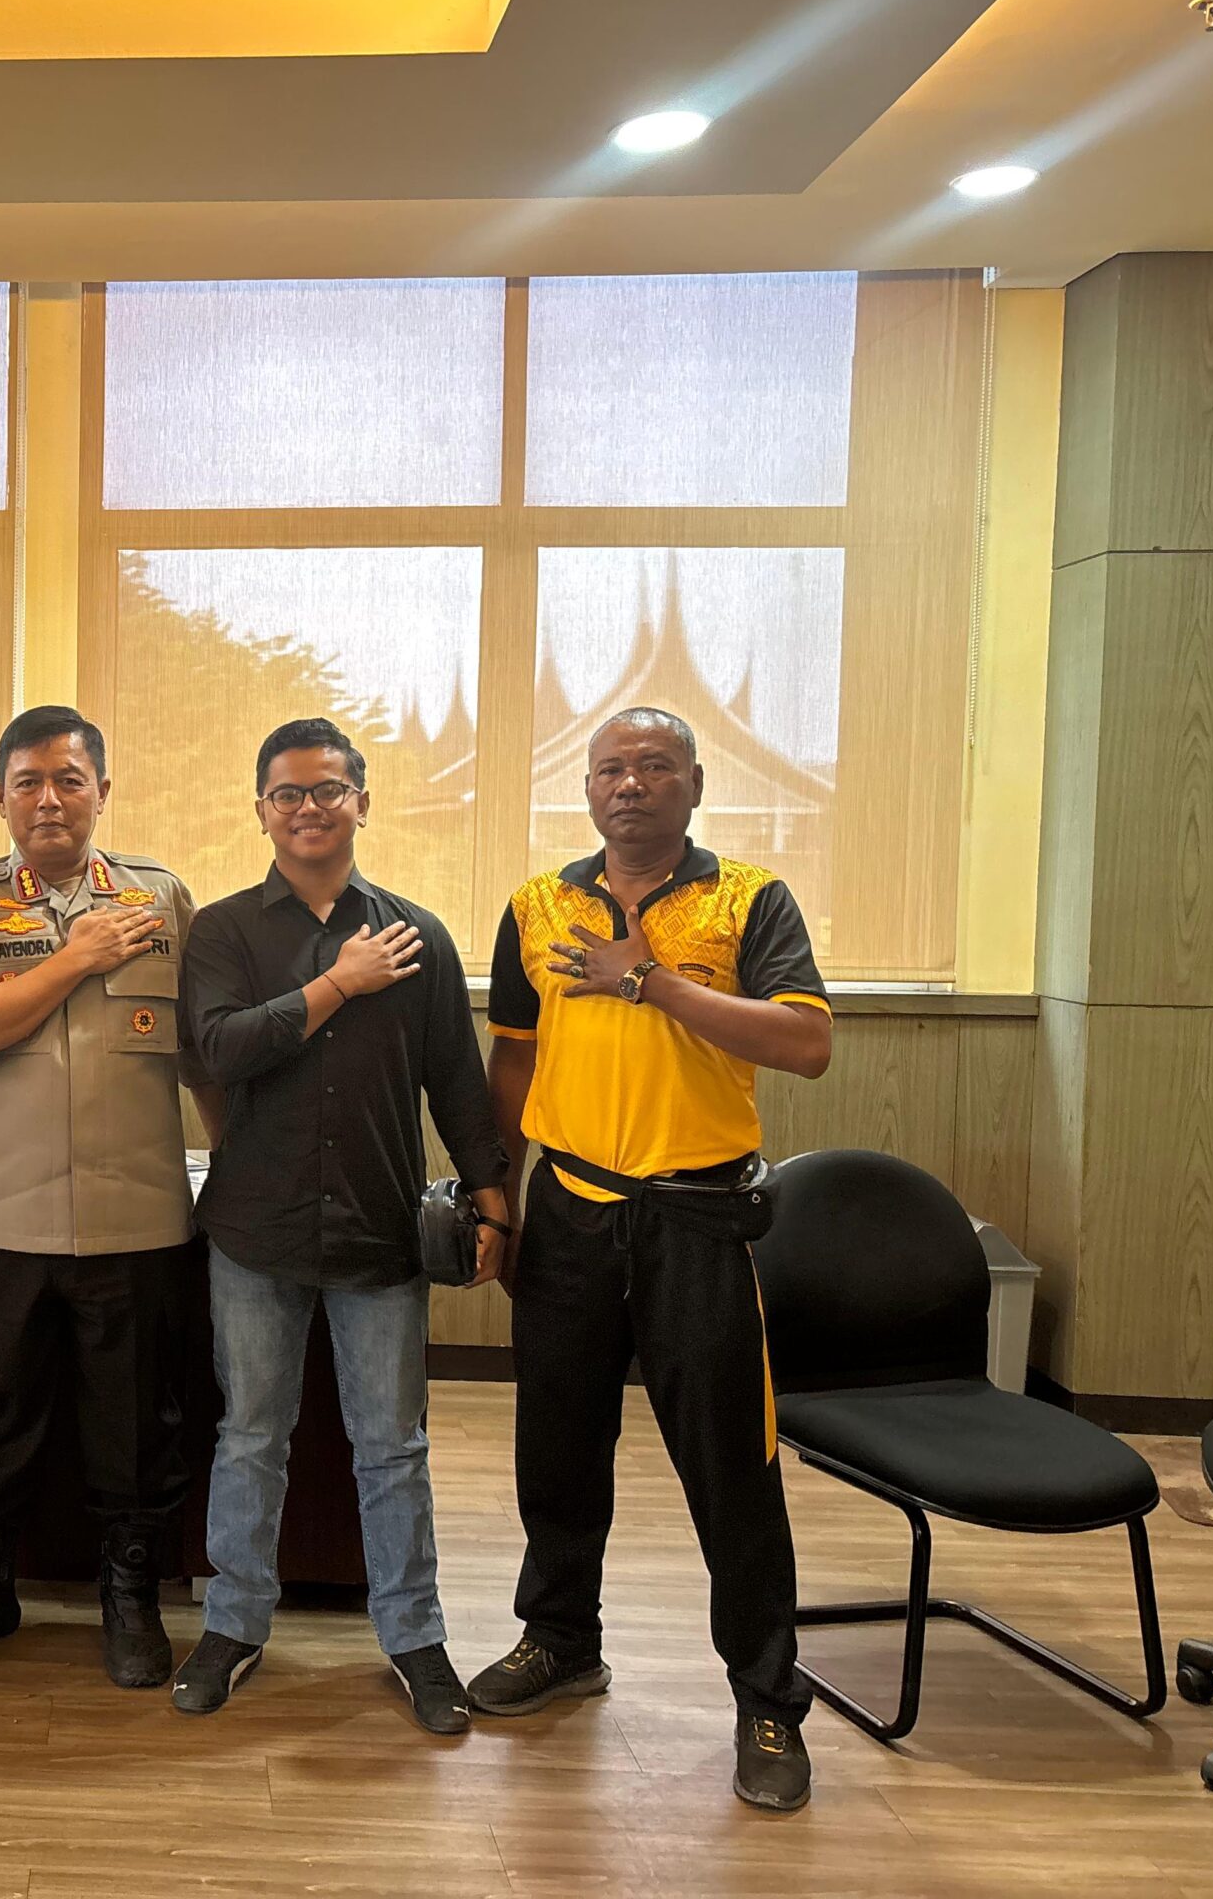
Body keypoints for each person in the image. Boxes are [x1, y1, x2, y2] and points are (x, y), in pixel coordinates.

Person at [468, 706, 833, 1814]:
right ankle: (559, 1640)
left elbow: (807, 1044)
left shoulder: (750, 899)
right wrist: (498, 1196)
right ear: (586, 789)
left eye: (654, 766)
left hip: (697, 1218)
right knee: (557, 1447)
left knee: (730, 1467)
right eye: (610, 769)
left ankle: (767, 1700)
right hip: (571, 1211)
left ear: (695, 783)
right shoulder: (538, 905)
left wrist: (652, 981)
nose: (630, 784)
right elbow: (514, 1059)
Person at [171, 718, 507, 1731]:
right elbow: (217, 1051)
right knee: (250, 1437)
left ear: (362, 801)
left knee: (392, 1446)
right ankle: (233, 1626)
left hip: (378, 1227)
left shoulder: (418, 934)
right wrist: (334, 986)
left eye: (327, 789)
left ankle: (415, 1639)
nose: (308, 808)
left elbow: (456, 1079)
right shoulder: (225, 932)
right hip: (254, 1230)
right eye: (287, 793)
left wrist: (493, 1198)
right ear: (261, 810)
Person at [0, 705, 208, 1688]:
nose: (49, 799)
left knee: (137, 1427)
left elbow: (204, 1055)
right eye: (28, 782)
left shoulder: (161, 899)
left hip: (138, 1216)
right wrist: (77, 955)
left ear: (102, 792)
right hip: (0, 1217)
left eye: (69, 780)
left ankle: (131, 1597)